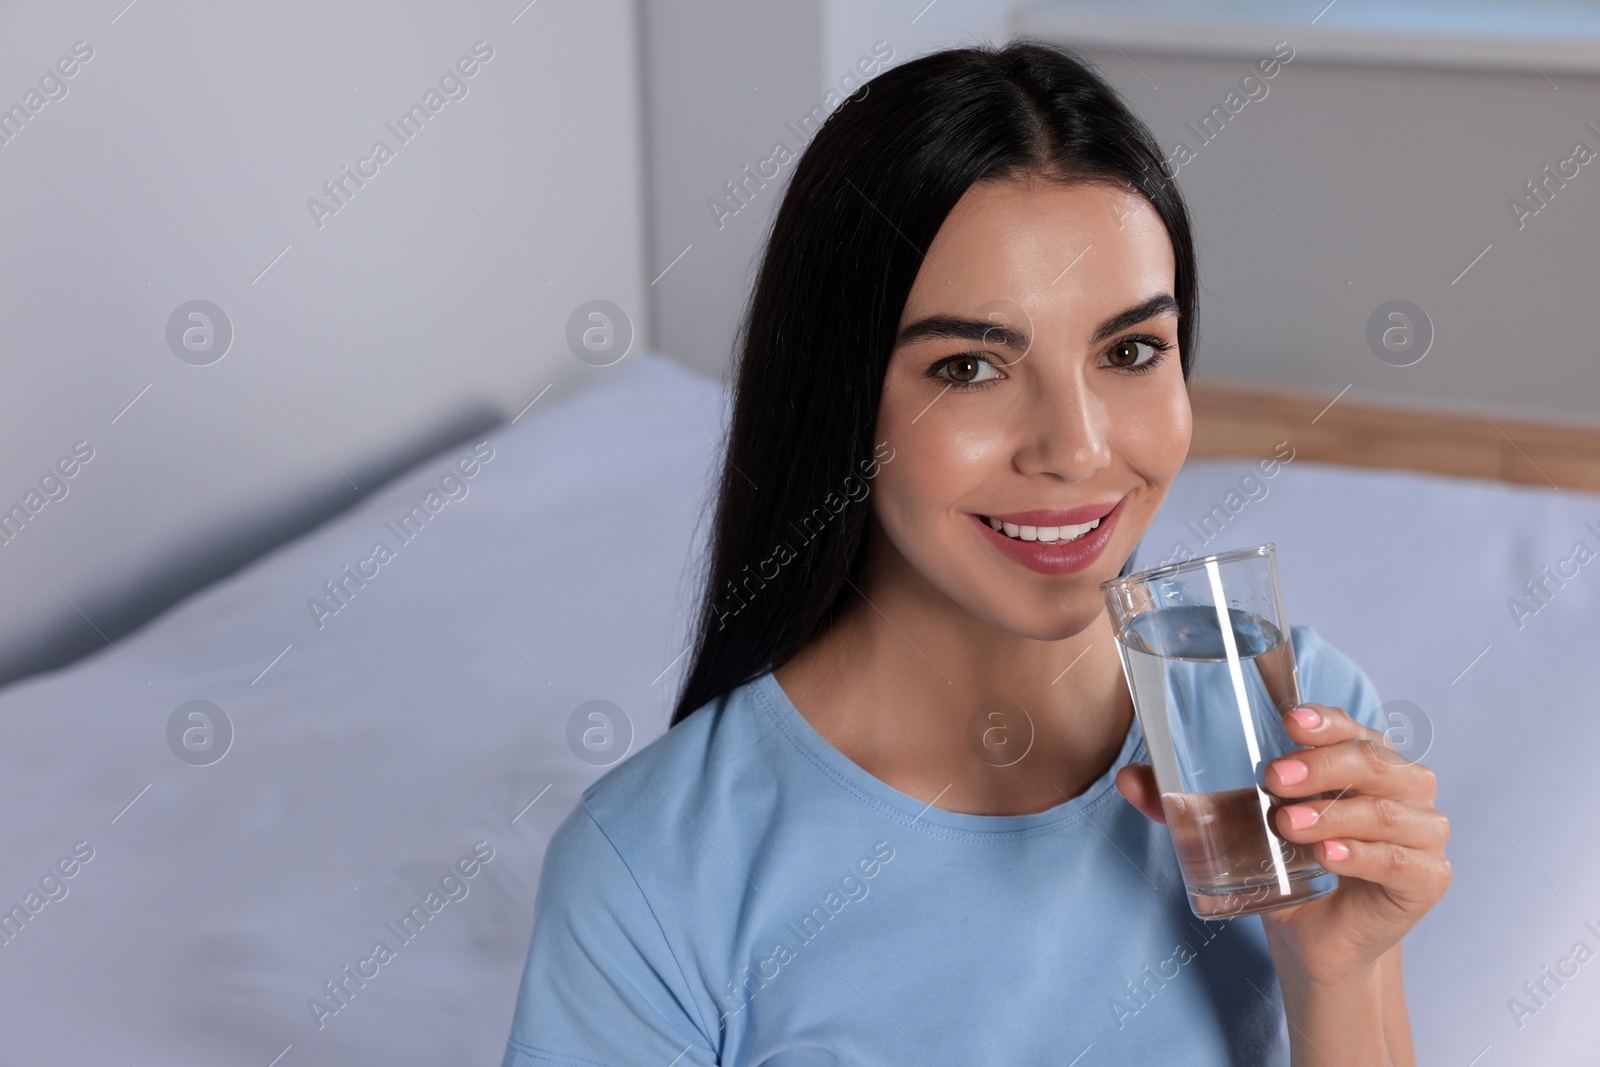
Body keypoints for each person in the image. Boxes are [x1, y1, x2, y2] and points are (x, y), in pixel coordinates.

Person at [503, 39, 1450, 1066]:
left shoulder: (1285, 727)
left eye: (1130, 350)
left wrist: (1337, 968)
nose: (1078, 447)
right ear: (840, 401)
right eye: (969, 366)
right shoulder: (654, 873)